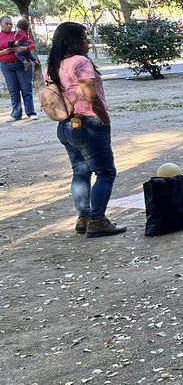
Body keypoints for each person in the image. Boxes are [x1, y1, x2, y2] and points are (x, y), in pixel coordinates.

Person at [44, 22, 125, 236]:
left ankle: (84, 217)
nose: (88, 42)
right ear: (74, 40)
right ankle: (98, 220)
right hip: (88, 123)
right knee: (106, 172)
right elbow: (91, 96)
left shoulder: (53, 64)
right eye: (84, 38)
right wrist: (105, 119)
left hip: (66, 125)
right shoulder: (80, 62)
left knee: (80, 172)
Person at [0, 15, 38, 121]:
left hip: (22, 64)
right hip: (6, 66)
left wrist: (24, 48)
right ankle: (16, 114)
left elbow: (32, 45)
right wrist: (4, 52)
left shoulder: (18, 33)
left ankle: (31, 113)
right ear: (1, 24)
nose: (9, 26)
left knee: (26, 89)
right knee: (13, 90)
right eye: (6, 23)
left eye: (11, 24)